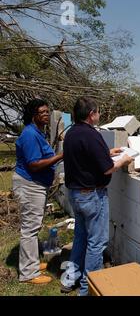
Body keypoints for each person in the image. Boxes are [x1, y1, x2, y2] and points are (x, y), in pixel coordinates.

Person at [61, 97, 133, 295]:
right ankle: (87, 289)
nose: (99, 115)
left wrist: (108, 152)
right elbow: (108, 169)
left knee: (81, 237)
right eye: (98, 112)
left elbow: (85, 156)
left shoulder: (72, 133)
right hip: (92, 196)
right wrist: (124, 160)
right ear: (92, 115)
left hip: (75, 194)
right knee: (97, 242)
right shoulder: (92, 135)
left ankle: (69, 280)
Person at [13, 99, 63, 284]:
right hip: (30, 184)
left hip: (35, 184)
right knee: (30, 229)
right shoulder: (30, 135)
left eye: (47, 111)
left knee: (33, 226)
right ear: (33, 115)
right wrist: (60, 156)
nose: (46, 114)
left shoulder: (37, 133)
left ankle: (31, 263)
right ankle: (28, 273)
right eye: (42, 112)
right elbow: (34, 165)